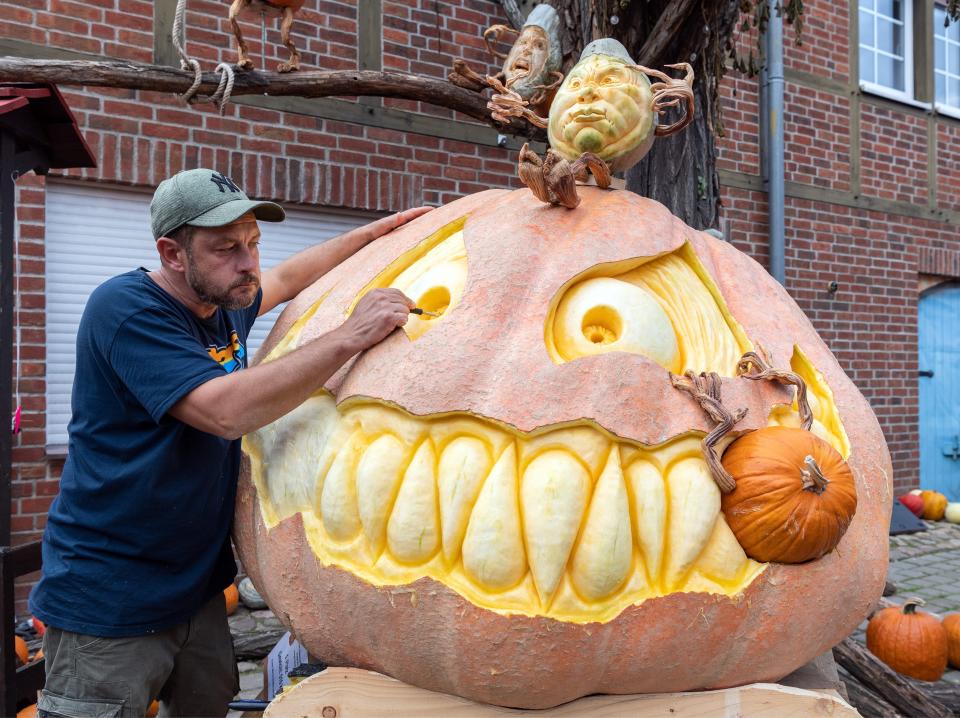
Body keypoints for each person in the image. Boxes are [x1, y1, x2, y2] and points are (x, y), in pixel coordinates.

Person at [29, 168, 431, 717]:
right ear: (173, 254)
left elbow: (290, 276)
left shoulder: (221, 301)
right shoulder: (125, 310)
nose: (248, 264)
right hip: (109, 600)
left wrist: (376, 234)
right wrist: (352, 335)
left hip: (195, 592)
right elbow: (225, 411)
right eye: (226, 249)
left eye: (252, 244)